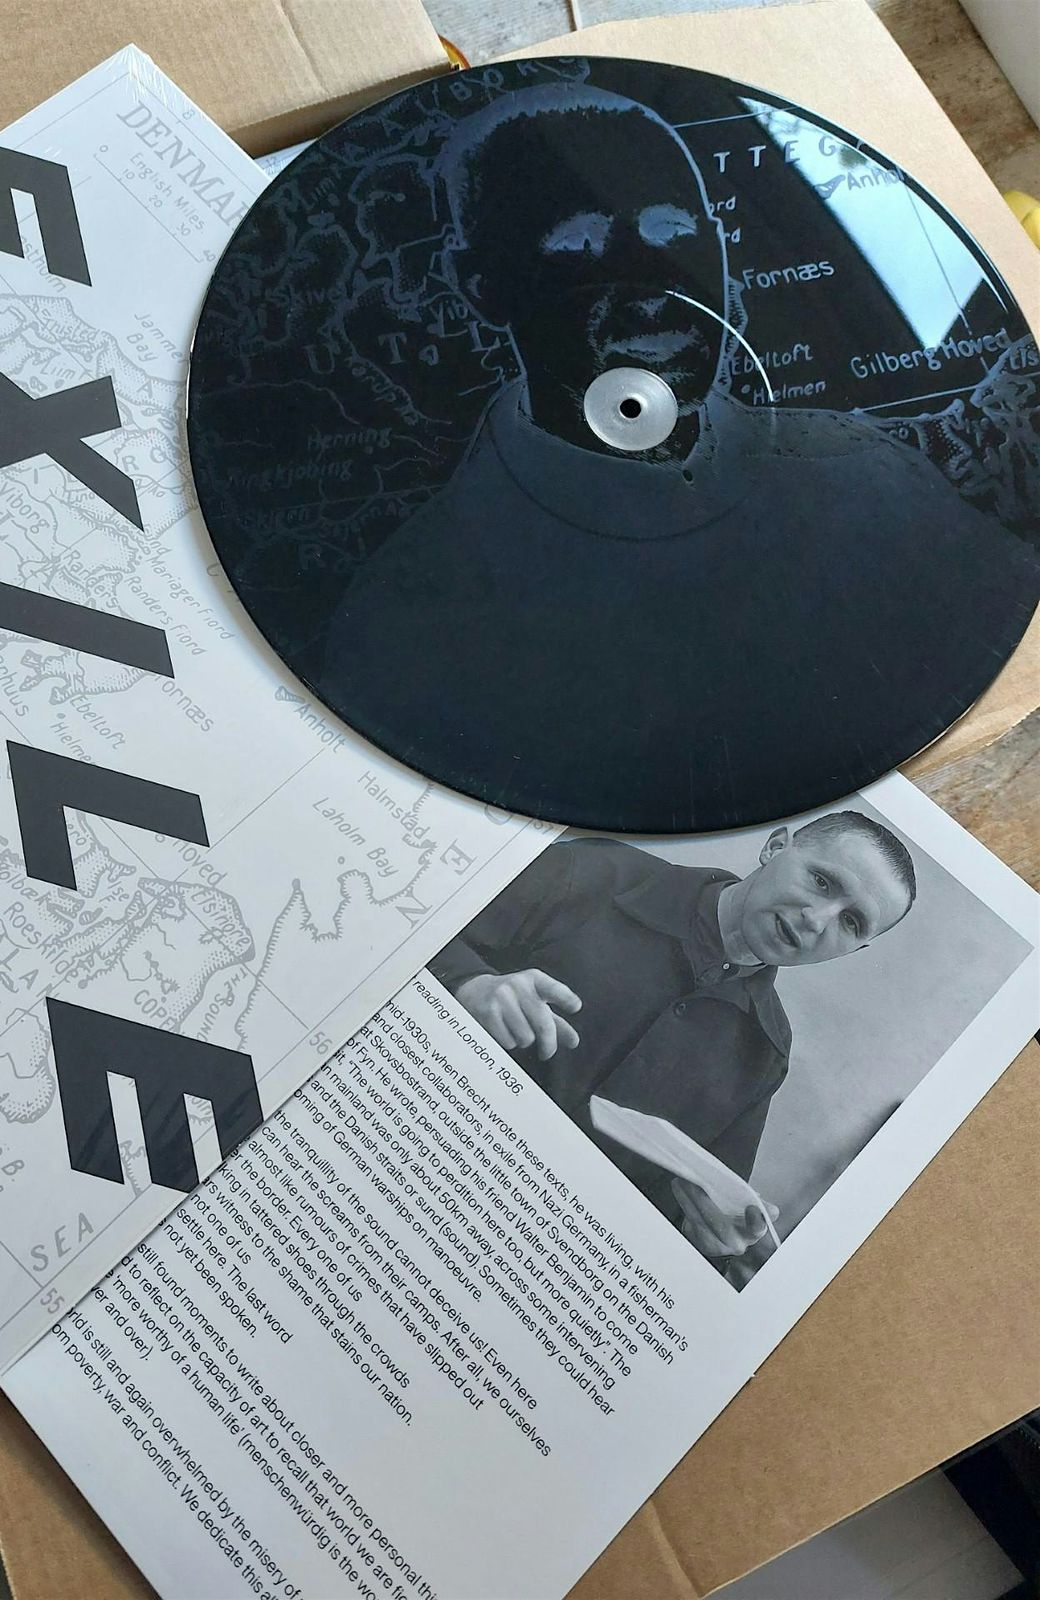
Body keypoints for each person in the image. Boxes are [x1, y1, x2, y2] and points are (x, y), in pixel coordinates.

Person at [322, 85, 1039, 833]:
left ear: (720, 254)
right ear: (483, 285)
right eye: (579, 244)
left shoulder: (865, 471)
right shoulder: (412, 617)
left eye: (673, 231)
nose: (653, 285)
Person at [429, 812, 917, 1277]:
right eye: (822, 882)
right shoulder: (597, 871)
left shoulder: (765, 1054)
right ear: (774, 847)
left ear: (858, 949)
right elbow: (410, 920)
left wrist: (707, 1242)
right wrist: (469, 983)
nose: (818, 920)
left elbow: (684, 1219)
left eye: (852, 922)